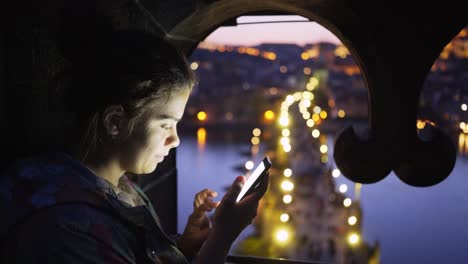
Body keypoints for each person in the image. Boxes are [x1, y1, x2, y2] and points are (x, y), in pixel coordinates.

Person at [0, 30, 269, 263]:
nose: (175, 140)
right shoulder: (65, 228)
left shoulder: (119, 186)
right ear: (115, 122)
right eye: (165, 125)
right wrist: (223, 236)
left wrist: (184, 247)